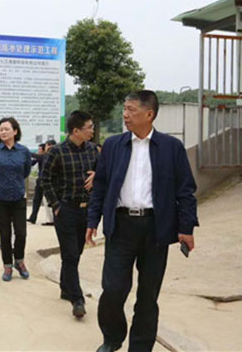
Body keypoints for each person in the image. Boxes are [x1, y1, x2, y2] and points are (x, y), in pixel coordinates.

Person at [86, 90, 199, 352]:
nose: (125, 115)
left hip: (155, 229)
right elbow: (100, 185)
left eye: (131, 110)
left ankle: (140, 347)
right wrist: (92, 220)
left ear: (149, 114)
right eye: (124, 109)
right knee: (113, 289)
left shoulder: (171, 148)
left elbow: (185, 190)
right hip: (121, 226)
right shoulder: (113, 145)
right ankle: (112, 338)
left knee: (148, 295)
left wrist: (186, 228)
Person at [41, 111, 98, 319]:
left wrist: (97, 175)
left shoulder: (92, 150)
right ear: (76, 131)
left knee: (76, 253)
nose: (92, 131)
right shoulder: (57, 152)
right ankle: (77, 299)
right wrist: (56, 206)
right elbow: (45, 179)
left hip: (86, 210)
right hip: (66, 210)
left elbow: (103, 171)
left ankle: (66, 287)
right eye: (89, 127)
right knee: (71, 254)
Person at [0, 117, 32, 281]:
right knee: (4, 234)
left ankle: (19, 261)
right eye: (0, 130)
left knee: (21, 232)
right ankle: (7, 266)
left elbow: (26, 171)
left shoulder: (23, 151)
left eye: (6, 129)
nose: (3, 132)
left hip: (18, 196)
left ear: (15, 131)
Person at [28, 139, 57, 225]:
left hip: (49, 182)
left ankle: (52, 220)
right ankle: (33, 217)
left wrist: (25, 152)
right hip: (40, 181)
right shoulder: (42, 156)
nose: (39, 151)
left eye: (40, 149)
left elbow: (36, 156)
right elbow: (32, 162)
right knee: (36, 200)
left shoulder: (50, 155)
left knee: (49, 201)